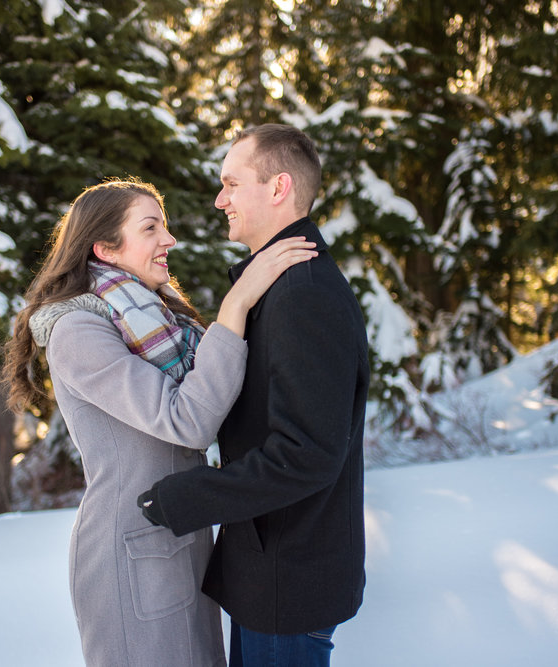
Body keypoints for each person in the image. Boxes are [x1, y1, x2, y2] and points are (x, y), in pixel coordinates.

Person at [1, 178, 317, 667]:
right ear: (104, 247)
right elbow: (187, 419)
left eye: (164, 226)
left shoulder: (152, 317)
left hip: (178, 534)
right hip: (130, 549)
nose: (168, 240)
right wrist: (235, 307)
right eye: (151, 228)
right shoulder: (78, 331)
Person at [137, 124, 370, 666]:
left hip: (288, 580)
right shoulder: (280, 287)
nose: (220, 200)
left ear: (278, 187)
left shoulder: (303, 295)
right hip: (270, 571)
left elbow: (305, 455)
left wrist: (187, 498)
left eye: (231, 184)